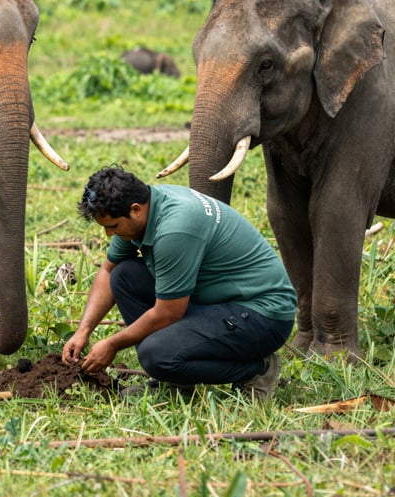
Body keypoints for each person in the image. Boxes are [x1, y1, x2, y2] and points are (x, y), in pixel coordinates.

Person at [62, 166, 297, 399]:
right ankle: (176, 382)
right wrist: (83, 332)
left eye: (112, 227)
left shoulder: (174, 229)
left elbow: (169, 313)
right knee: (124, 276)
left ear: (135, 210)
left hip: (262, 315)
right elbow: (108, 271)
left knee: (156, 355)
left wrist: (111, 344)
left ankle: (256, 370)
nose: (108, 235)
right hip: (218, 303)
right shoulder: (144, 208)